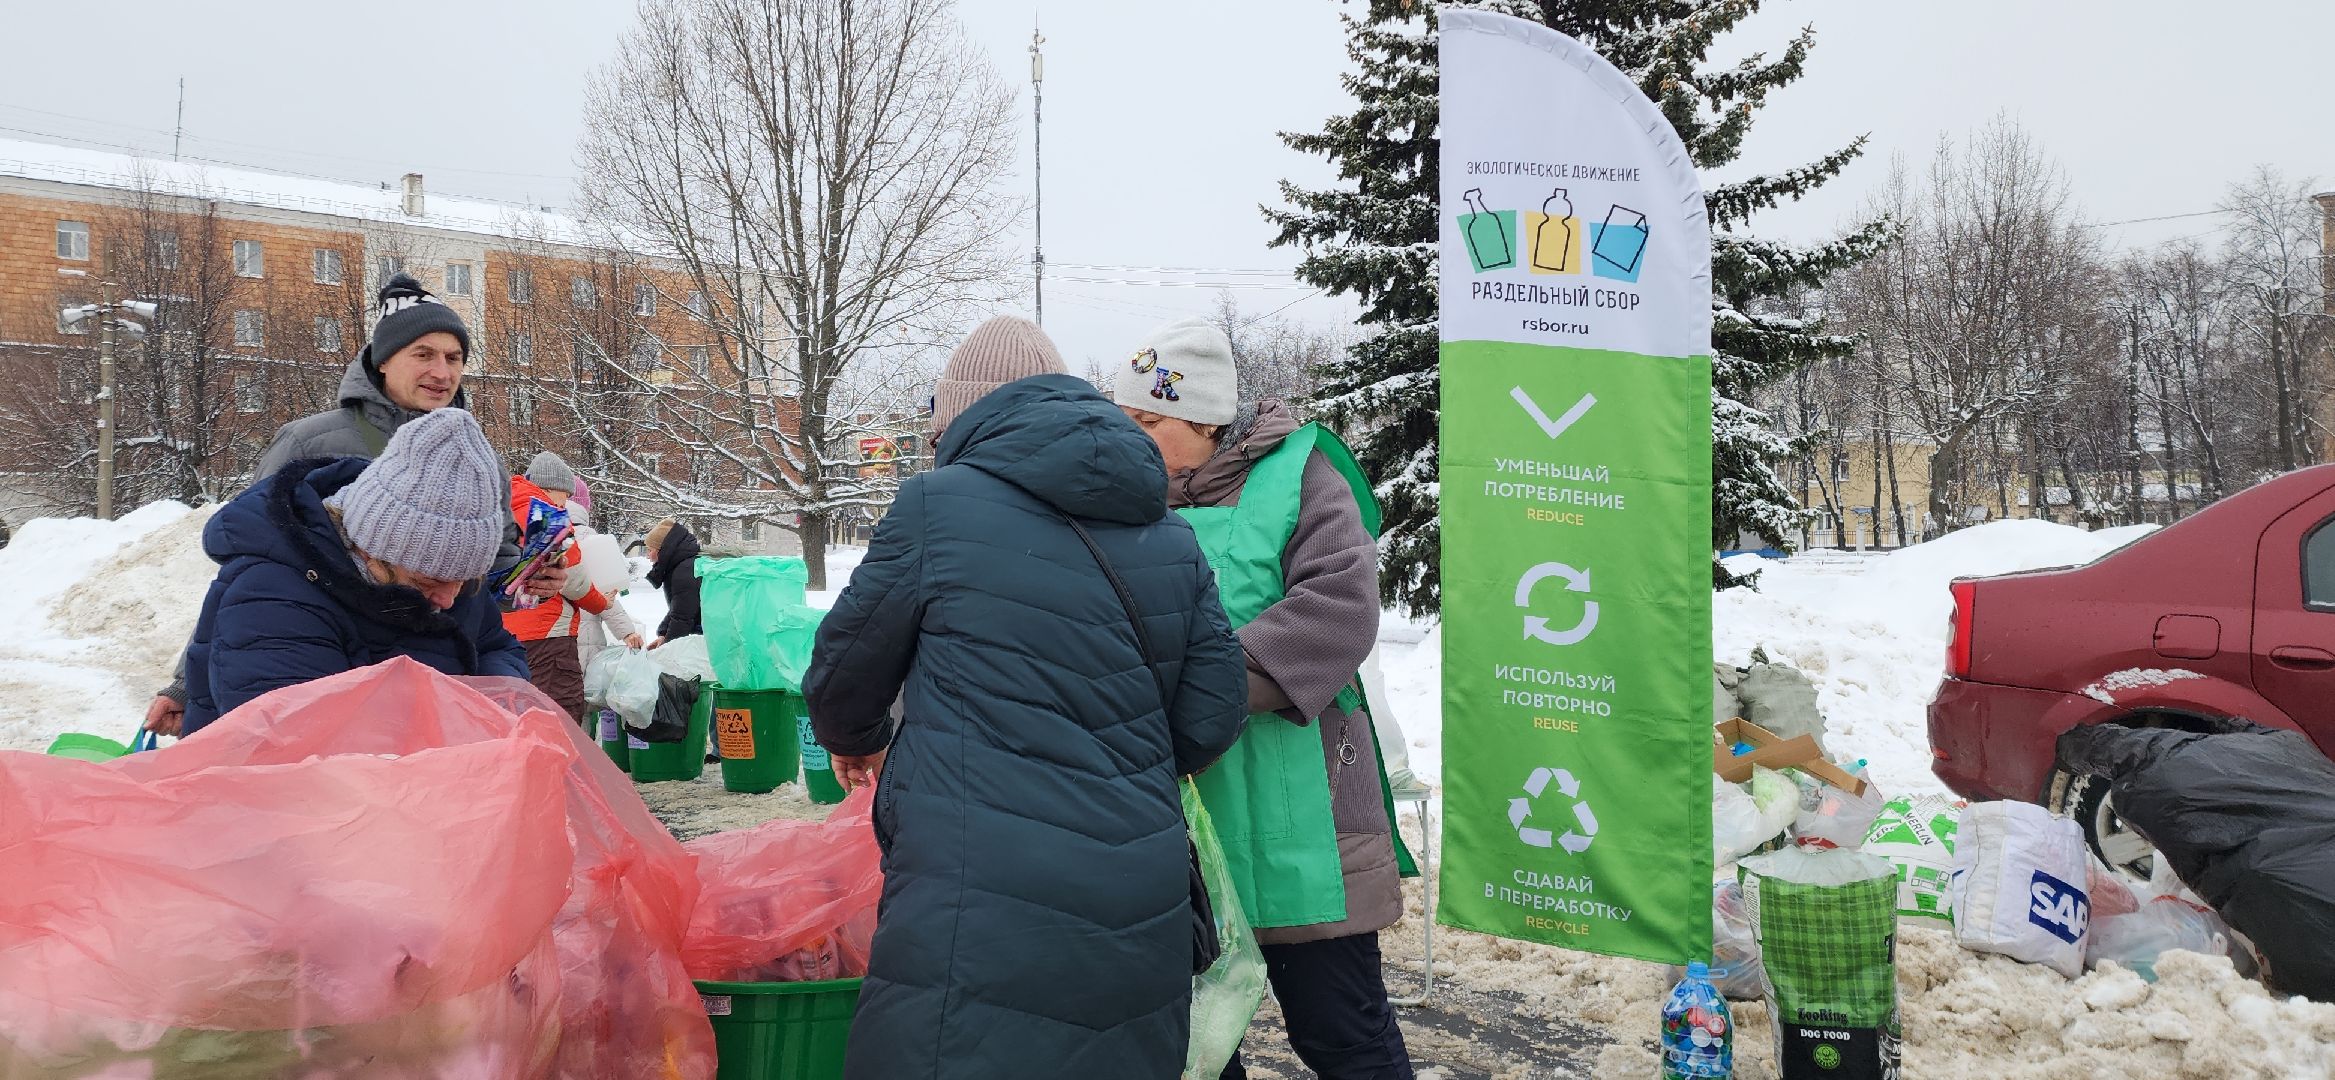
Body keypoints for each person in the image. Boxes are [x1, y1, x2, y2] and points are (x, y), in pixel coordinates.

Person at [804, 316, 1248, 1080]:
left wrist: (857, 737)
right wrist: (1113, 767)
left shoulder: (933, 507)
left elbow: (846, 670)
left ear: (961, 415)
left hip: (972, 893)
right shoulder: (1169, 533)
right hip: (1136, 899)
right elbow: (1212, 712)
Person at [1117, 316, 1414, 1080]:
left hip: (1303, 802)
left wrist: (1197, 687)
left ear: (1207, 418)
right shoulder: (1121, 500)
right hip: (1181, 809)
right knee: (1198, 1043)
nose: (1132, 438)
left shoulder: (1301, 476)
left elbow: (1337, 610)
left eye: (1148, 420)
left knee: (1341, 1032)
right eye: (1122, 421)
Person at [143, 273, 562, 735]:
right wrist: (185, 682)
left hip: (424, 682)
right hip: (324, 676)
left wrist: (531, 579)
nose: (442, 373)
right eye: (423, 355)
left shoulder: (479, 461)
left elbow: (479, 588)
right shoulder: (312, 440)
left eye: (454, 357)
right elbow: (251, 564)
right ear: (382, 361)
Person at [179, 409, 528, 735]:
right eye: (429, 582)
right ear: (371, 547)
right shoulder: (273, 599)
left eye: (467, 580)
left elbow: (495, 645)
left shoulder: (445, 574)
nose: (450, 600)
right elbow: (302, 752)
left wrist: (500, 705)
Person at [504, 452, 625, 723]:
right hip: (548, 636)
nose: (565, 503)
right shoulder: (545, 514)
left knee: (522, 714)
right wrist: (600, 603)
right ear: (551, 488)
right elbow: (574, 578)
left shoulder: (506, 508)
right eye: (565, 496)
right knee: (560, 714)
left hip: (508, 635)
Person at [642, 518, 703, 648]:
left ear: (662, 550)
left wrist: (666, 650)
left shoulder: (685, 571)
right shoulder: (684, 565)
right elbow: (679, 608)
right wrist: (663, 634)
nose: (648, 555)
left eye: (650, 549)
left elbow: (682, 619)